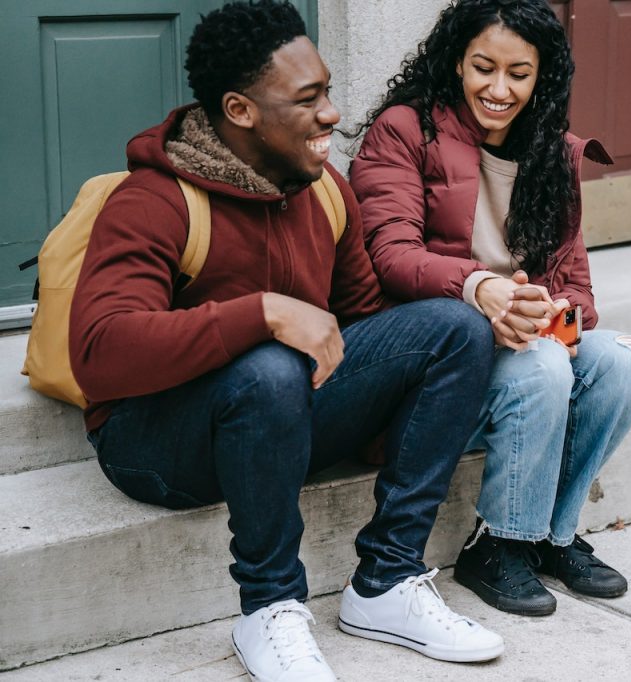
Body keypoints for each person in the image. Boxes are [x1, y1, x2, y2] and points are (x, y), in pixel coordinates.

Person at [69, 2, 505, 679]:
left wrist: (393, 422)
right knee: (271, 364)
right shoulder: (155, 201)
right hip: (157, 443)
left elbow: (363, 326)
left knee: (454, 325)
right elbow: (100, 355)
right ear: (240, 111)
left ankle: (386, 583)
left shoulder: (326, 189)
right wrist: (262, 313)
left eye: (327, 90)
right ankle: (270, 606)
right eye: (308, 99)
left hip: (277, 421)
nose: (332, 113)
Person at [349, 0, 631, 618]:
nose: (499, 88)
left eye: (519, 73)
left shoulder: (553, 151)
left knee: (623, 366)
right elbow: (389, 254)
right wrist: (479, 289)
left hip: (522, 340)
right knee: (543, 367)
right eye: (483, 68)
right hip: (440, 357)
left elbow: (578, 285)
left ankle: (550, 536)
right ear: (456, 61)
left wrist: (555, 312)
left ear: (542, 76)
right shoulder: (405, 131)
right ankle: (498, 544)